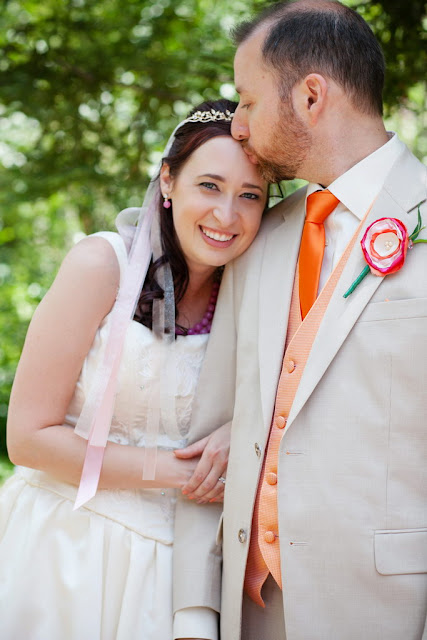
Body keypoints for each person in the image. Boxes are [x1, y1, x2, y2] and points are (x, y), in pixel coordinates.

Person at [0, 98, 268, 640]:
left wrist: (243, 434)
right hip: (68, 546)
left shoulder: (255, 295)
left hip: (180, 572)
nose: (226, 215)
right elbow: (27, 439)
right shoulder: (103, 264)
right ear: (168, 181)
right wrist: (182, 471)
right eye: (209, 186)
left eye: (250, 196)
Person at [213, 2, 427, 639]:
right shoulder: (261, 236)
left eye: (248, 102)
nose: (239, 128)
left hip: (383, 611)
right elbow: (220, 420)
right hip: (249, 609)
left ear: (310, 97)